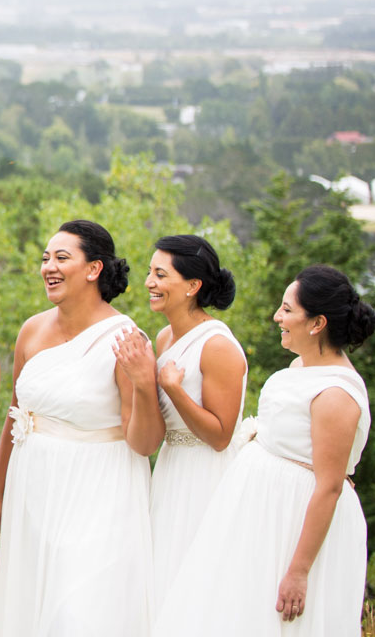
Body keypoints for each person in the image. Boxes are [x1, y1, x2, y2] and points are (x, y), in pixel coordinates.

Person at [153, 265, 373, 636]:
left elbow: (329, 487)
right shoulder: (301, 366)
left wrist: (298, 571)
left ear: (317, 323)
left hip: (296, 522)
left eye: (287, 310)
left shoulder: (336, 395)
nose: (277, 316)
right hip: (261, 514)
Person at [0, 219, 158, 637]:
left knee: (78, 613)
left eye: (61, 258)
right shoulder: (32, 329)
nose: (48, 266)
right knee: (31, 606)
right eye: (45, 258)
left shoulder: (125, 338)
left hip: (97, 494)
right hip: (33, 489)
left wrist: (144, 383)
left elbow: (144, 442)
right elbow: (16, 415)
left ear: (93, 269)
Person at [142, 234, 246, 603]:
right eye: (150, 272)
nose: (149, 283)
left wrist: (176, 390)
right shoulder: (164, 337)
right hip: (170, 467)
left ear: (192, 286)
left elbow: (220, 436)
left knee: (195, 584)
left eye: (160, 274)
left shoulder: (217, 345)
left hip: (206, 475)